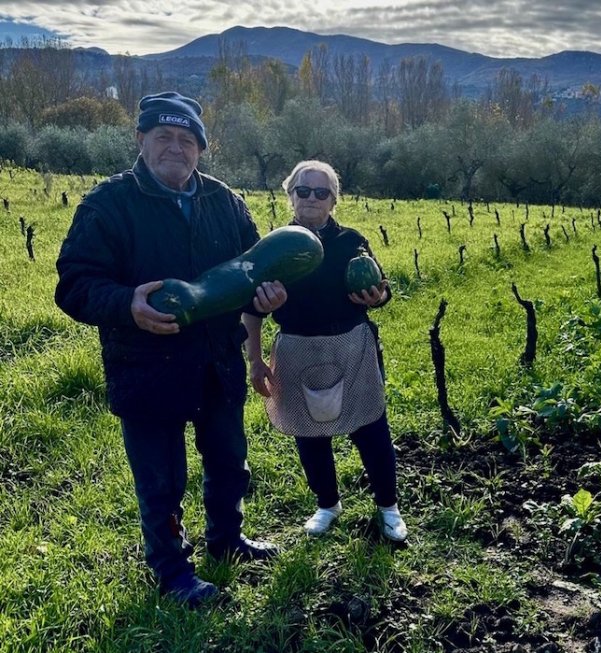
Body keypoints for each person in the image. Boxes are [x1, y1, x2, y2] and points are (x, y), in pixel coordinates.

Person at [55, 91, 287, 608]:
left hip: (217, 362)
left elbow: (251, 273)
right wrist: (126, 303)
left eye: (187, 139)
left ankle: (226, 540)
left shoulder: (225, 201)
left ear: (201, 149)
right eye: (164, 136)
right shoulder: (108, 204)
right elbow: (73, 284)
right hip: (147, 368)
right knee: (161, 480)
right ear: (141, 140)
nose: (175, 148)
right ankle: (172, 570)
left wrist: (265, 297)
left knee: (230, 463)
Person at [242, 160, 408, 543]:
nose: (312, 198)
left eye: (322, 192)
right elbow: (250, 311)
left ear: (334, 201)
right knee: (309, 432)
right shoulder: (273, 248)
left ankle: (389, 508)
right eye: (304, 190)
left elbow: (380, 289)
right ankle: (327, 504)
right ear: (290, 196)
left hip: (352, 344)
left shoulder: (352, 242)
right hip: (296, 347)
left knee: (371, 427)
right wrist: (254, 361)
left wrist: (378, 295)